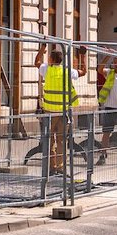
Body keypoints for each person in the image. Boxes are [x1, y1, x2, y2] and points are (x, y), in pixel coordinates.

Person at [34, 43, 87, 175]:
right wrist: (82, 56)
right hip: (63, 112)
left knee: (50, 141)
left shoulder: (46, 69)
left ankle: (52, 168)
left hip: (49, 112)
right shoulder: (68, 70)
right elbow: (83, 72)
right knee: (62, 141)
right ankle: (61, 167)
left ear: (51, 59)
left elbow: (36, 62)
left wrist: (42, 48)